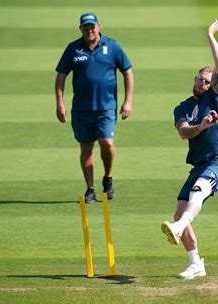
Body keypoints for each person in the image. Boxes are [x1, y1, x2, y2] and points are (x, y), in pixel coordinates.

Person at [161, 18, 218, 279]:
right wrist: (201, 126)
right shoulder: (181, 108)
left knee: (199, 191)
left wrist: (210, 34)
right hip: (199, 162)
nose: (205, 83)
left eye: (208, 80)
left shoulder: (214, 96)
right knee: (180, 209)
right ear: (194, 79)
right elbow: (183, 132)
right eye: (202, 79)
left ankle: (179, 227)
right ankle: (196, 264)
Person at [55, 12, 134, 203]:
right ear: (80, 29)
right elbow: (61, 77)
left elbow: (128, 72)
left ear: (98, 26)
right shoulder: (73, 49)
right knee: (86, 148)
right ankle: (90, 189)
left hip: (106, 107)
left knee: (106, 143)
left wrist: (128, 101)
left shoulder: (112, 46)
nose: (89, 30)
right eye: (85, 27)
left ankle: (108, 178)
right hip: (81, 109)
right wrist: (60, 103)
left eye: (92, 26)